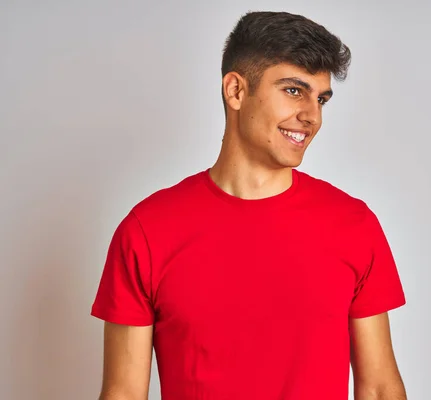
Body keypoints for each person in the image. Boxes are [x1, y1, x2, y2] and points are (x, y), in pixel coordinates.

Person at [91, 10, 408, 400]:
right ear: (236, 91)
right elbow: (123, 393)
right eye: (294, 90)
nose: (311, 116)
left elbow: (378, 388)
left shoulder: (354, 225)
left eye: (321, 98)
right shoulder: (147, 230)